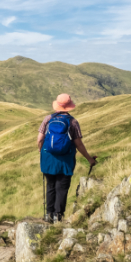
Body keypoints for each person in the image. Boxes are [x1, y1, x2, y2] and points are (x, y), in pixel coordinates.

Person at [37, 93, 96, 223]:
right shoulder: (73, 122)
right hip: (66, 160)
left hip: (48, 158)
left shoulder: (48, 119)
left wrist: (42, 152)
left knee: (50, 185)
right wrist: (89, 159)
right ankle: (58, 216)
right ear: (69, 107)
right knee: (62, 187)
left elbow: (40, 139)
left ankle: (48, 215)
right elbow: (78, 144)